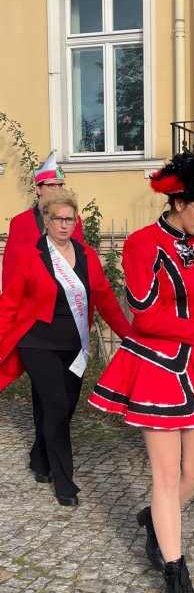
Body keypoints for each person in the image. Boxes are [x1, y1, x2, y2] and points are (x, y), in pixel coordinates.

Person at [89, 153, 194, 593]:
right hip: (157, 366)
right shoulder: (141, 243)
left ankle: (157, 519)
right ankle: (177, 579)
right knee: (167, 476)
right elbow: (144, 314)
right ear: (177, 201)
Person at [0, 190, 130, 505]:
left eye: (69, 219)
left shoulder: (87, 255)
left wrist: (130, 336)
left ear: (75, 222)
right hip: (37, 343)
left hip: (74, 346)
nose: (63, 224)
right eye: (57, 218)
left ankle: (40, 458)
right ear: (46, 220)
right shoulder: (29, 254)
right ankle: (64, 483)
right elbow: (9, 304)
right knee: (56, 406)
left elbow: (106, 300)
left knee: (63, 407)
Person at [2, 151, 84, 287]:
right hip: (31, 292)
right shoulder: (20, 222)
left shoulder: (73, 219)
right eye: (51, 185)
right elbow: (11, 265)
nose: (57, 190)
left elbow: (80, 257)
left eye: (60, 185)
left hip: (68, 292)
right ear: (38, 190)